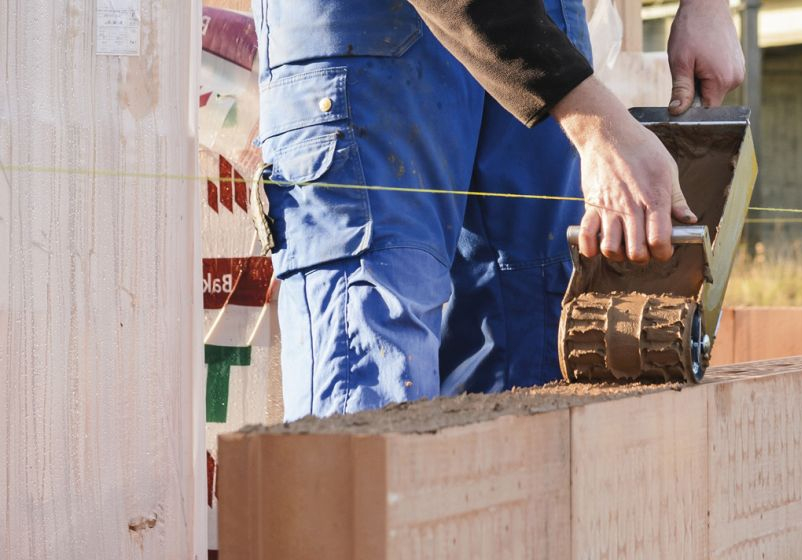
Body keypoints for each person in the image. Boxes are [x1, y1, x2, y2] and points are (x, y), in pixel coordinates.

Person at [252, 0, 745, 419]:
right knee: (374, 372)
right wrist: (595, 124)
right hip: (367, 34)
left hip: (536, 23)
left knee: (536, 354)